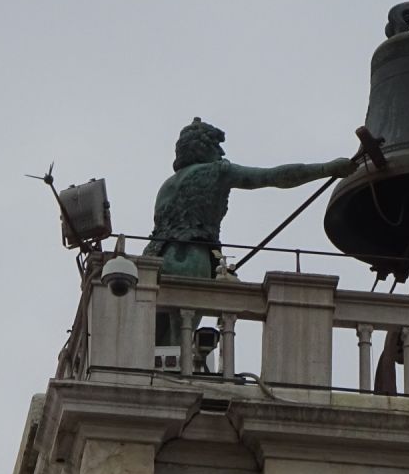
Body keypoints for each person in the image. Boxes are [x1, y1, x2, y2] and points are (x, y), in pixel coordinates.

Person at [143, 117, 355, 343]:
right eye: (216, 145)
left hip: (157, 257)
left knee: (153, 340)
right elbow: (273, 177)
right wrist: (326, 169)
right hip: (191, 257)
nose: (221, 151)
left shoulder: (167, 185)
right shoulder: (217, 171)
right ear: (203, 147)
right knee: (180, 338)